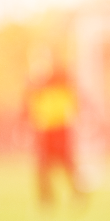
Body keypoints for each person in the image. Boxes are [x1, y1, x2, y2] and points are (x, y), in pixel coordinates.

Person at [22, 62, 86, 210]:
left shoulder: (60, 82)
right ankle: (46, 200)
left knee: (67, 165)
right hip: (45, 132)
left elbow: (71, 102)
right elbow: (30, 108)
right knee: (43, 168)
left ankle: (77, 194)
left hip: (60, 129)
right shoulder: (35, 86)